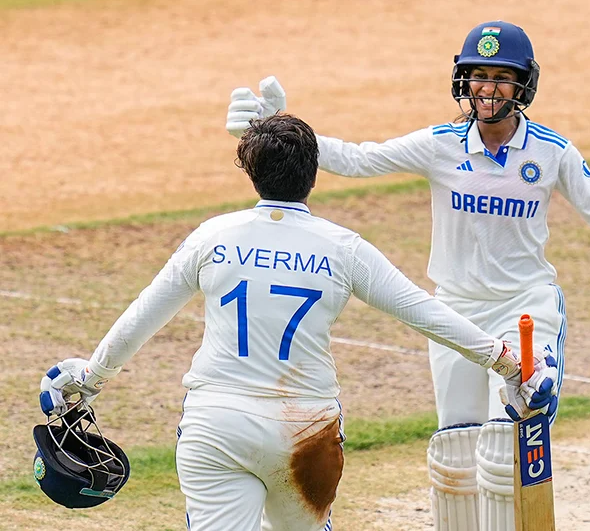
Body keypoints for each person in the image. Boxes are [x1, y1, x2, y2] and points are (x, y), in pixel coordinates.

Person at [225, 21, 590, 531]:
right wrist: (276, 129)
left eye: (501, 77)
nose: (487, 88)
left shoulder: (552, 151)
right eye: (477, 75)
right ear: (462, 80)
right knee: (455, 456)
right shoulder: (440, 144)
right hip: (453, 313)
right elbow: (358, 158)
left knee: (505, 447)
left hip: (525, 306)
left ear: (524, 85)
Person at [38, 114, 555, 531]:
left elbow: (140, 318)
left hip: (216, 424)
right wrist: (507, 363)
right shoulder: (344, 248)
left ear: (251, 173)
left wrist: (89, 379)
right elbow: (427, 314)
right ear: (313, 173)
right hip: (307, 430)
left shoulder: (211, 237)